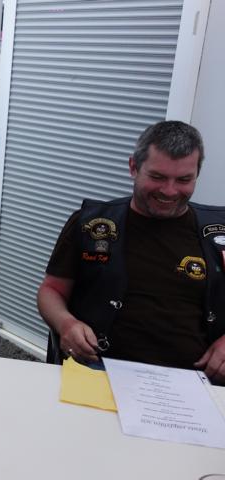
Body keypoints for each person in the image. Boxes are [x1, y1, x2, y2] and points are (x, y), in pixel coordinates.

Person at [37, 120, 225, 383]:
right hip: (100, 370)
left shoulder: (218, 233)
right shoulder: (92, 224)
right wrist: (66, 324)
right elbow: (51, 291)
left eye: (183, 179)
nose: (169, 191)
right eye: (157, 177)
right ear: (133, 167)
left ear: (197, 174)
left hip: (196, 379)